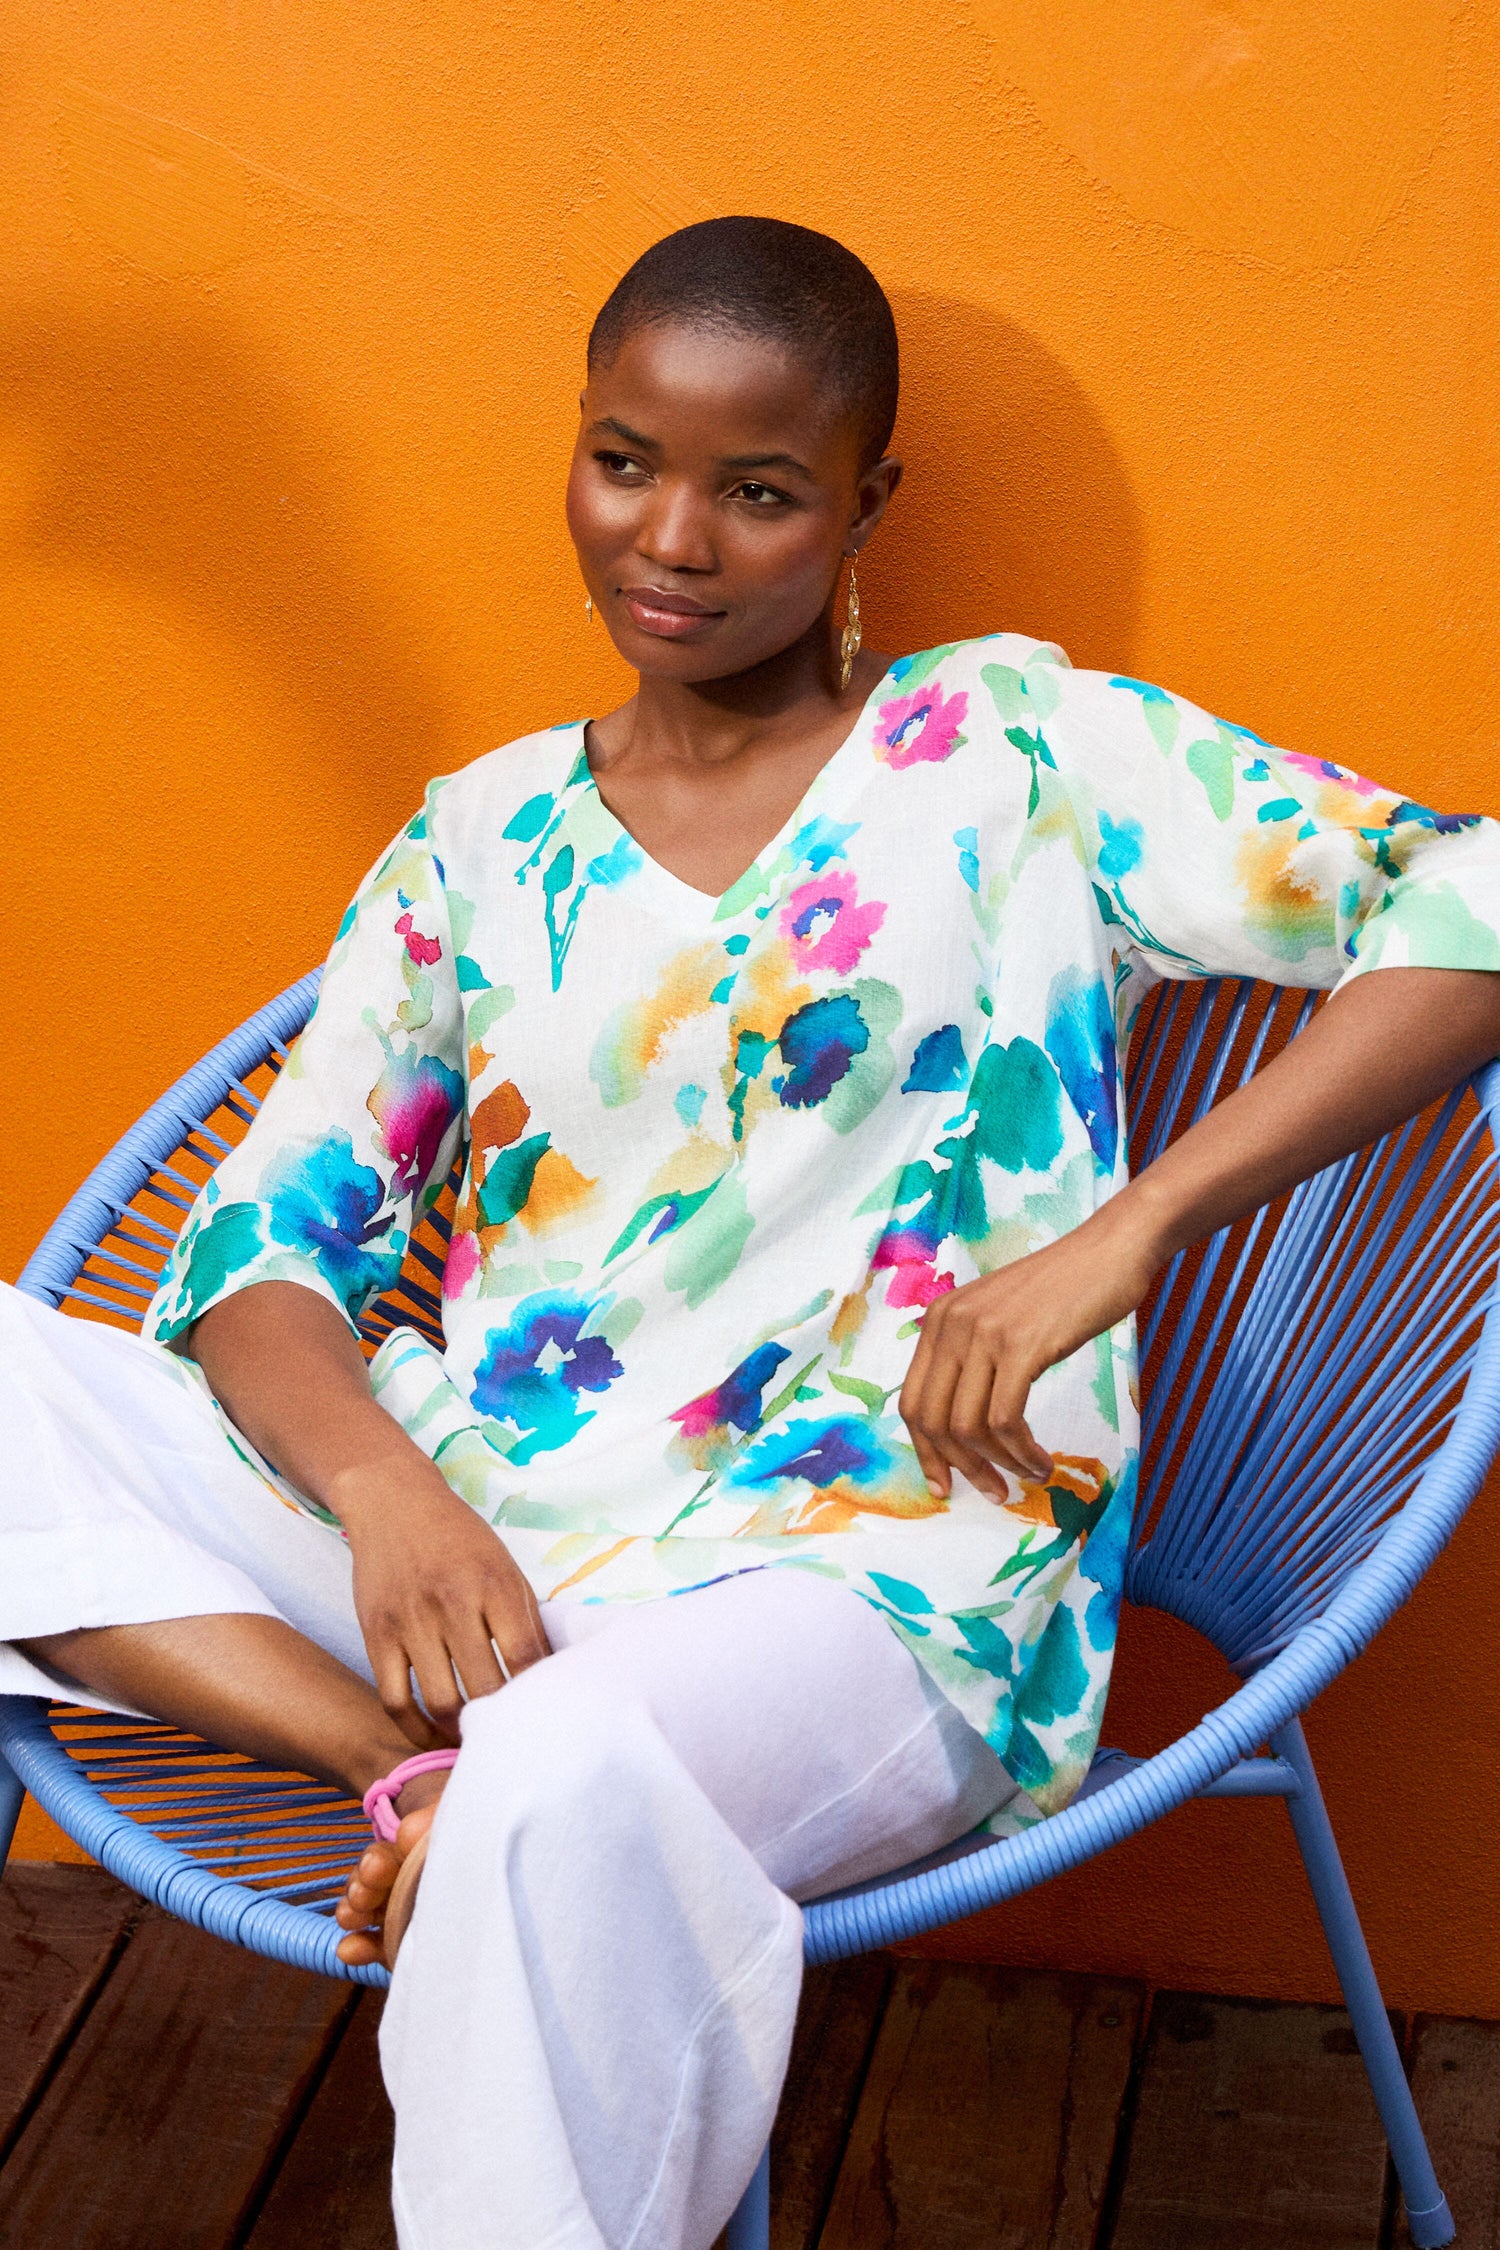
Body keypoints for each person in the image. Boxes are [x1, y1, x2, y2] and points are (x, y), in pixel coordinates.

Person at [3, 216, 1499, 2250]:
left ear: (864, 503)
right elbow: (261, 1258)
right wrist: (389, 1508)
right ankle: (402, 1763)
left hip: (873, 1582)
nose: (676, 538)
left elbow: (1464, 915)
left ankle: (488, 1785)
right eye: (626, 459)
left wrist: (1138, 1224)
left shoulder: (1022, 757)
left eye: (761, 489)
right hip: (495, 1552)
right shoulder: (479, 838)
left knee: (554, 1799)